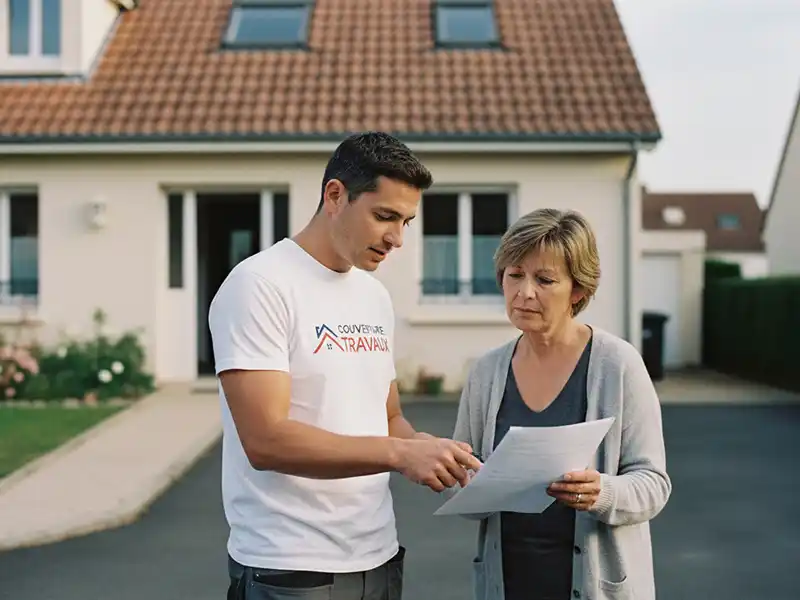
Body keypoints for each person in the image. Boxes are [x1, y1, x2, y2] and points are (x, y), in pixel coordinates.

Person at [208, 131, 482, 600]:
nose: (396, 238)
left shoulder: (372, 295)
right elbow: (266, 440)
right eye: (384, 216)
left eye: (406, 221)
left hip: (377, 556)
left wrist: (429, 450)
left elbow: (388, 417)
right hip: (291, 568)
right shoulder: (260, 285)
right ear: (335, 195)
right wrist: (399, 455)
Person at [450, 208, 672, 600]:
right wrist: (462, 480)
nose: (524, 292)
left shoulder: (618, 365)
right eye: (514, 275)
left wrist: (601, 492)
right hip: (508, 584)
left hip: (597, 587)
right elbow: (462, 484)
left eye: (545, 279)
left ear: (578, 290)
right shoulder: (486, 371)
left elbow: (653, 484)